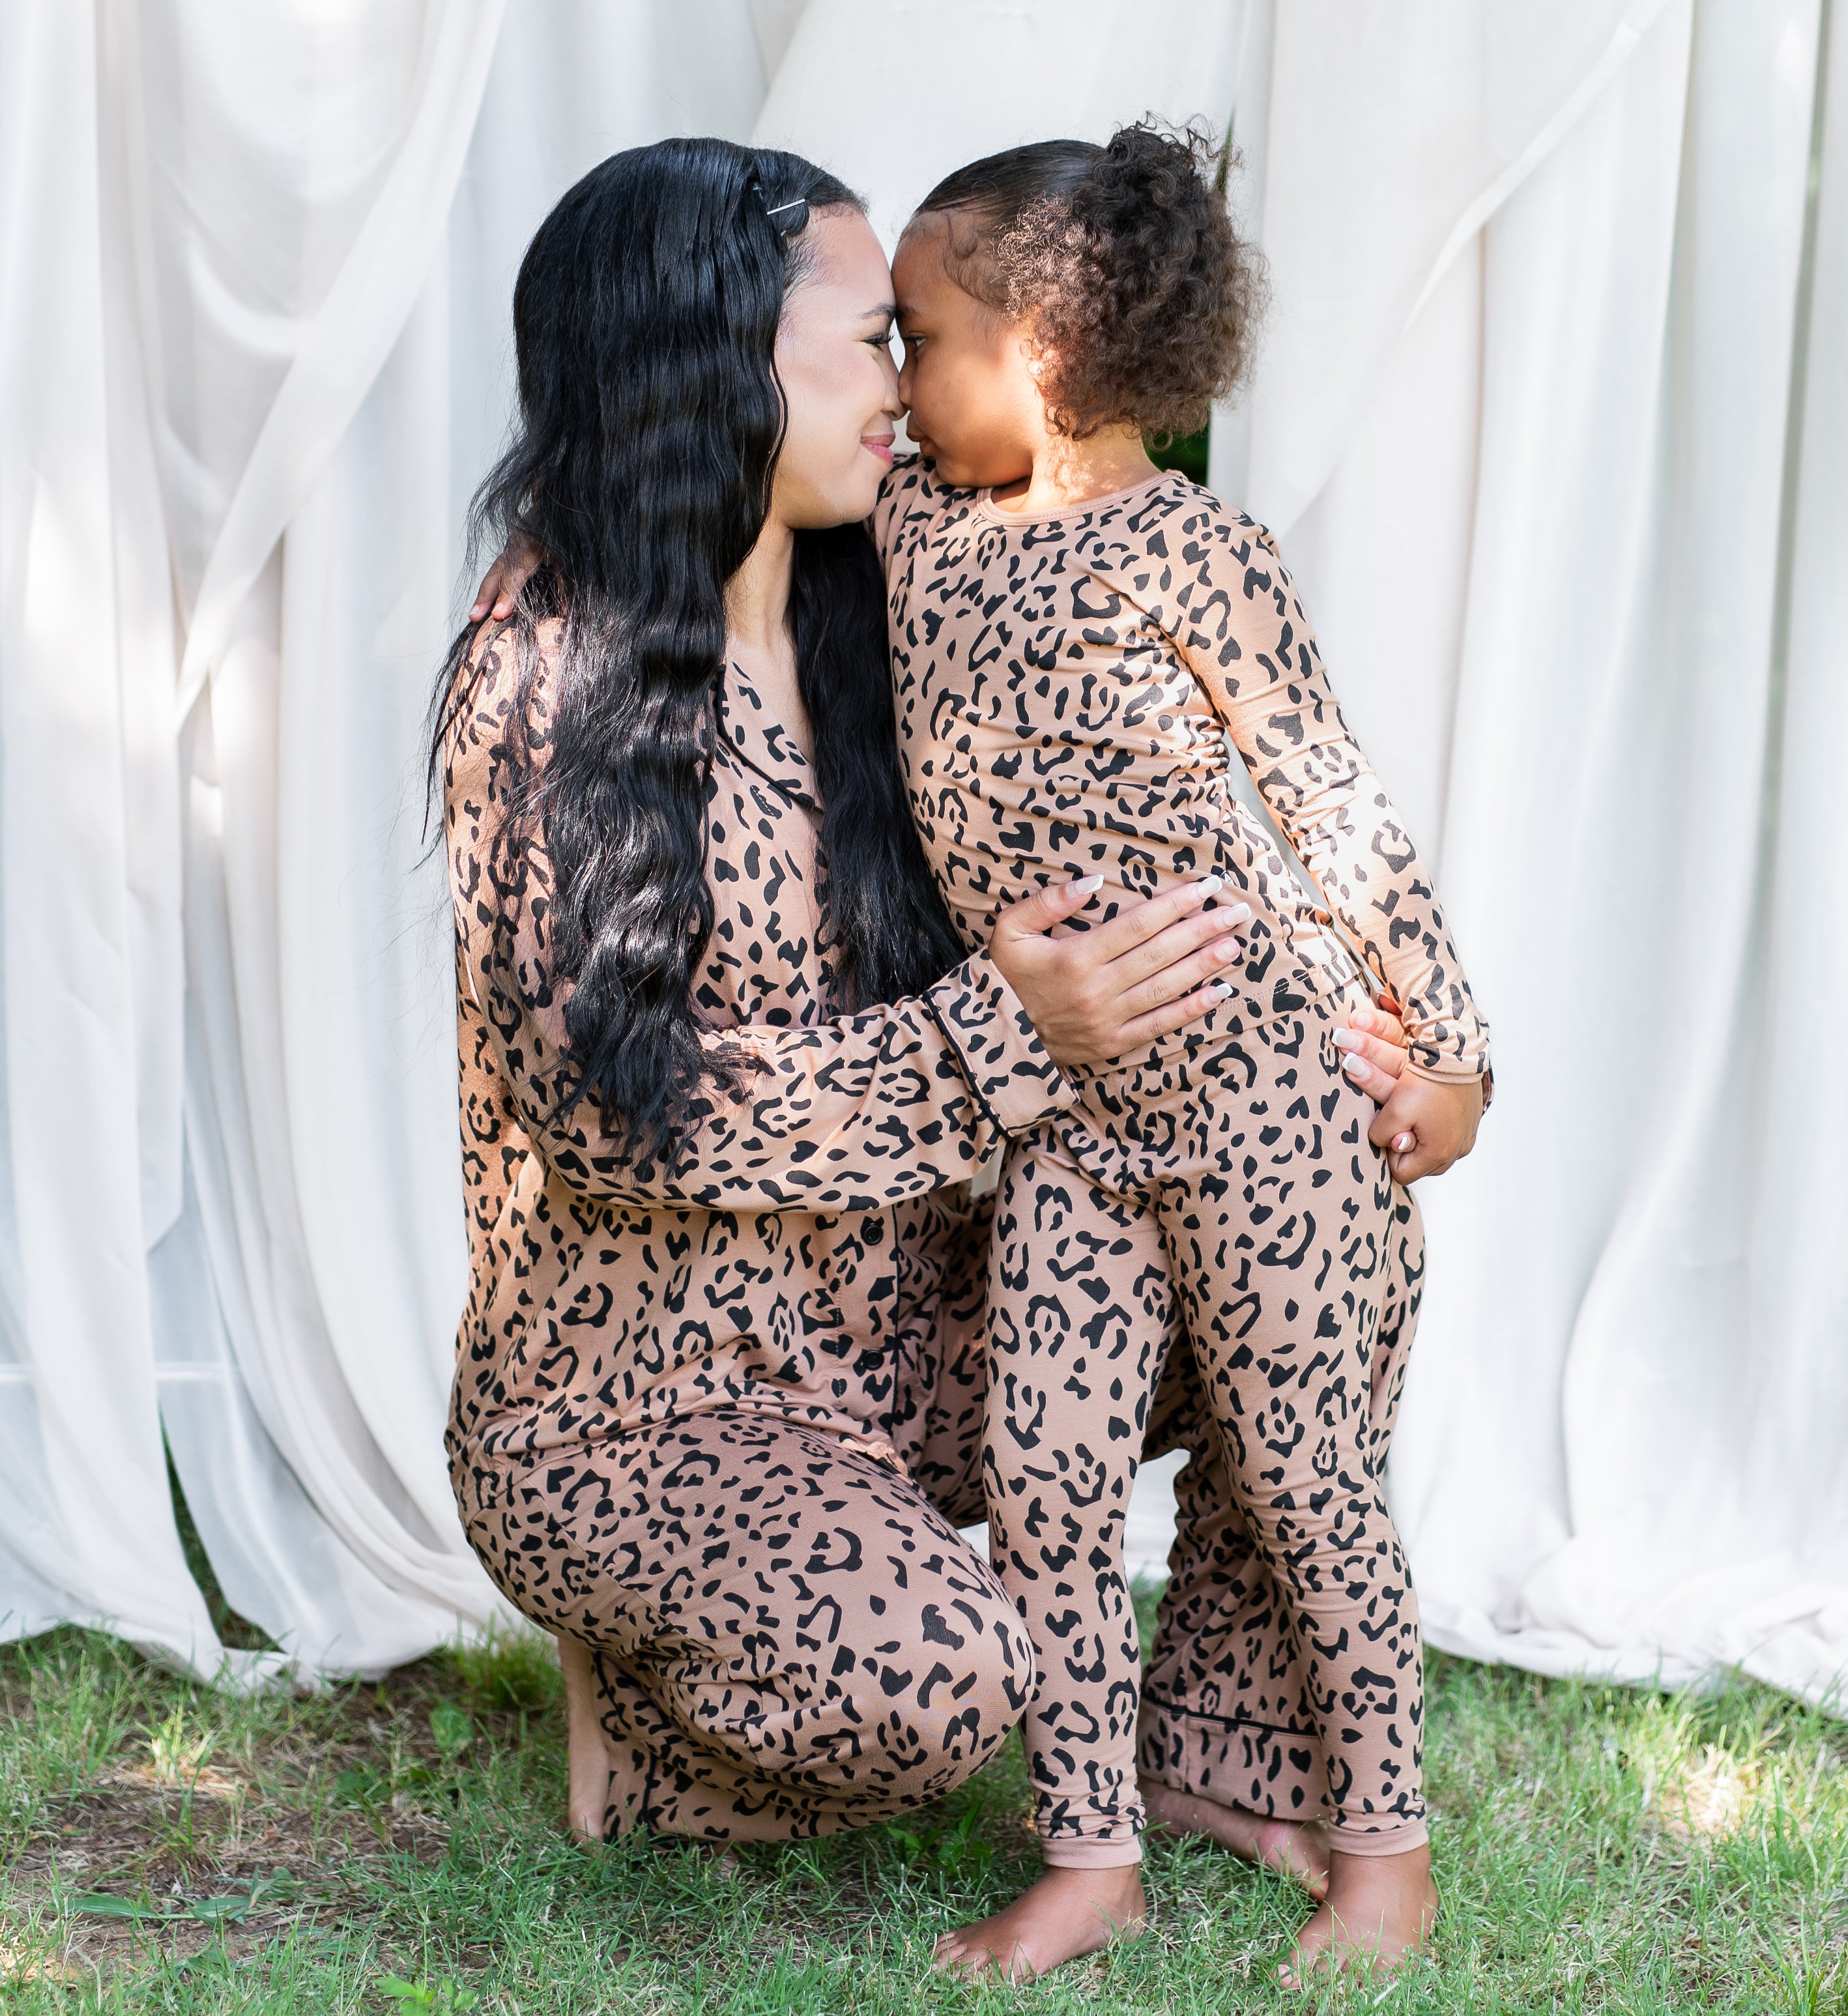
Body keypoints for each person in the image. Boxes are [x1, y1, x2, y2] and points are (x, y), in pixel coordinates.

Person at [437, 136, 1281, 1856]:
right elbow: (620, 1119)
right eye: (868, 334)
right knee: (937, 1683)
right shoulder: (546, 677)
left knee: (1286, 1233)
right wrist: (1009, 1034)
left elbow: (1125, 590)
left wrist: (1287, 1019)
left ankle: (1206, 1742)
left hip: (891, 1335)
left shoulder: (888, 574)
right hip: (645, 1408)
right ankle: (658, 1717)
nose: (906, 374)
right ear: (715, 351)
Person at [876, 124, 1492, 1983]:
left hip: (1266, 1110)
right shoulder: (910, 522)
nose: (897, 381)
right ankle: (1093, 1851)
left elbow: (1328, 802)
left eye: (921, 339)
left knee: (1308, 1481)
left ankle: (1384, 1854)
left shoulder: (1200, 550)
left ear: (1041, 359)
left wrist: (1451, 1057)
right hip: (1065, 1121)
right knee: (1045, 1469)